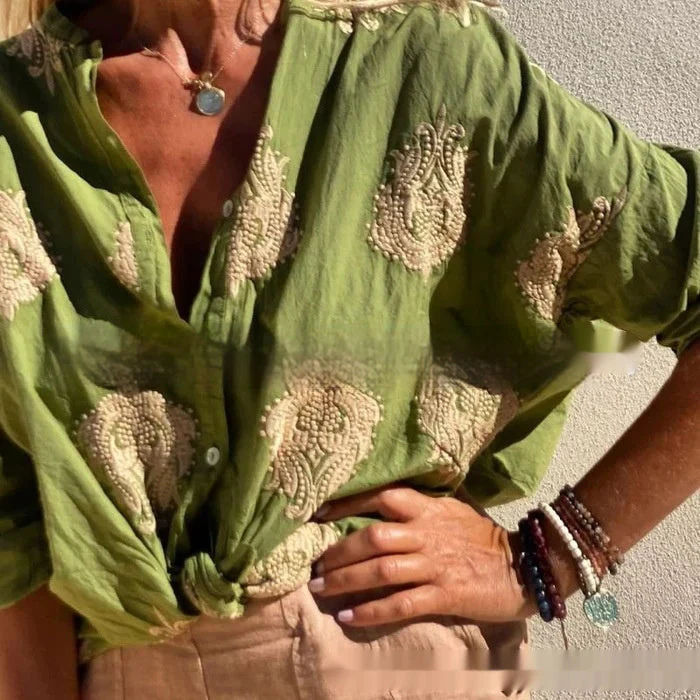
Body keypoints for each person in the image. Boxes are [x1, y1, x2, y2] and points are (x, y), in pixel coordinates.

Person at [0, 0, 698, 698]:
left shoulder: (426, 62)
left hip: (376, 651)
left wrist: (548, 559)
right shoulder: (14, 118)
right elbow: (17, 534)